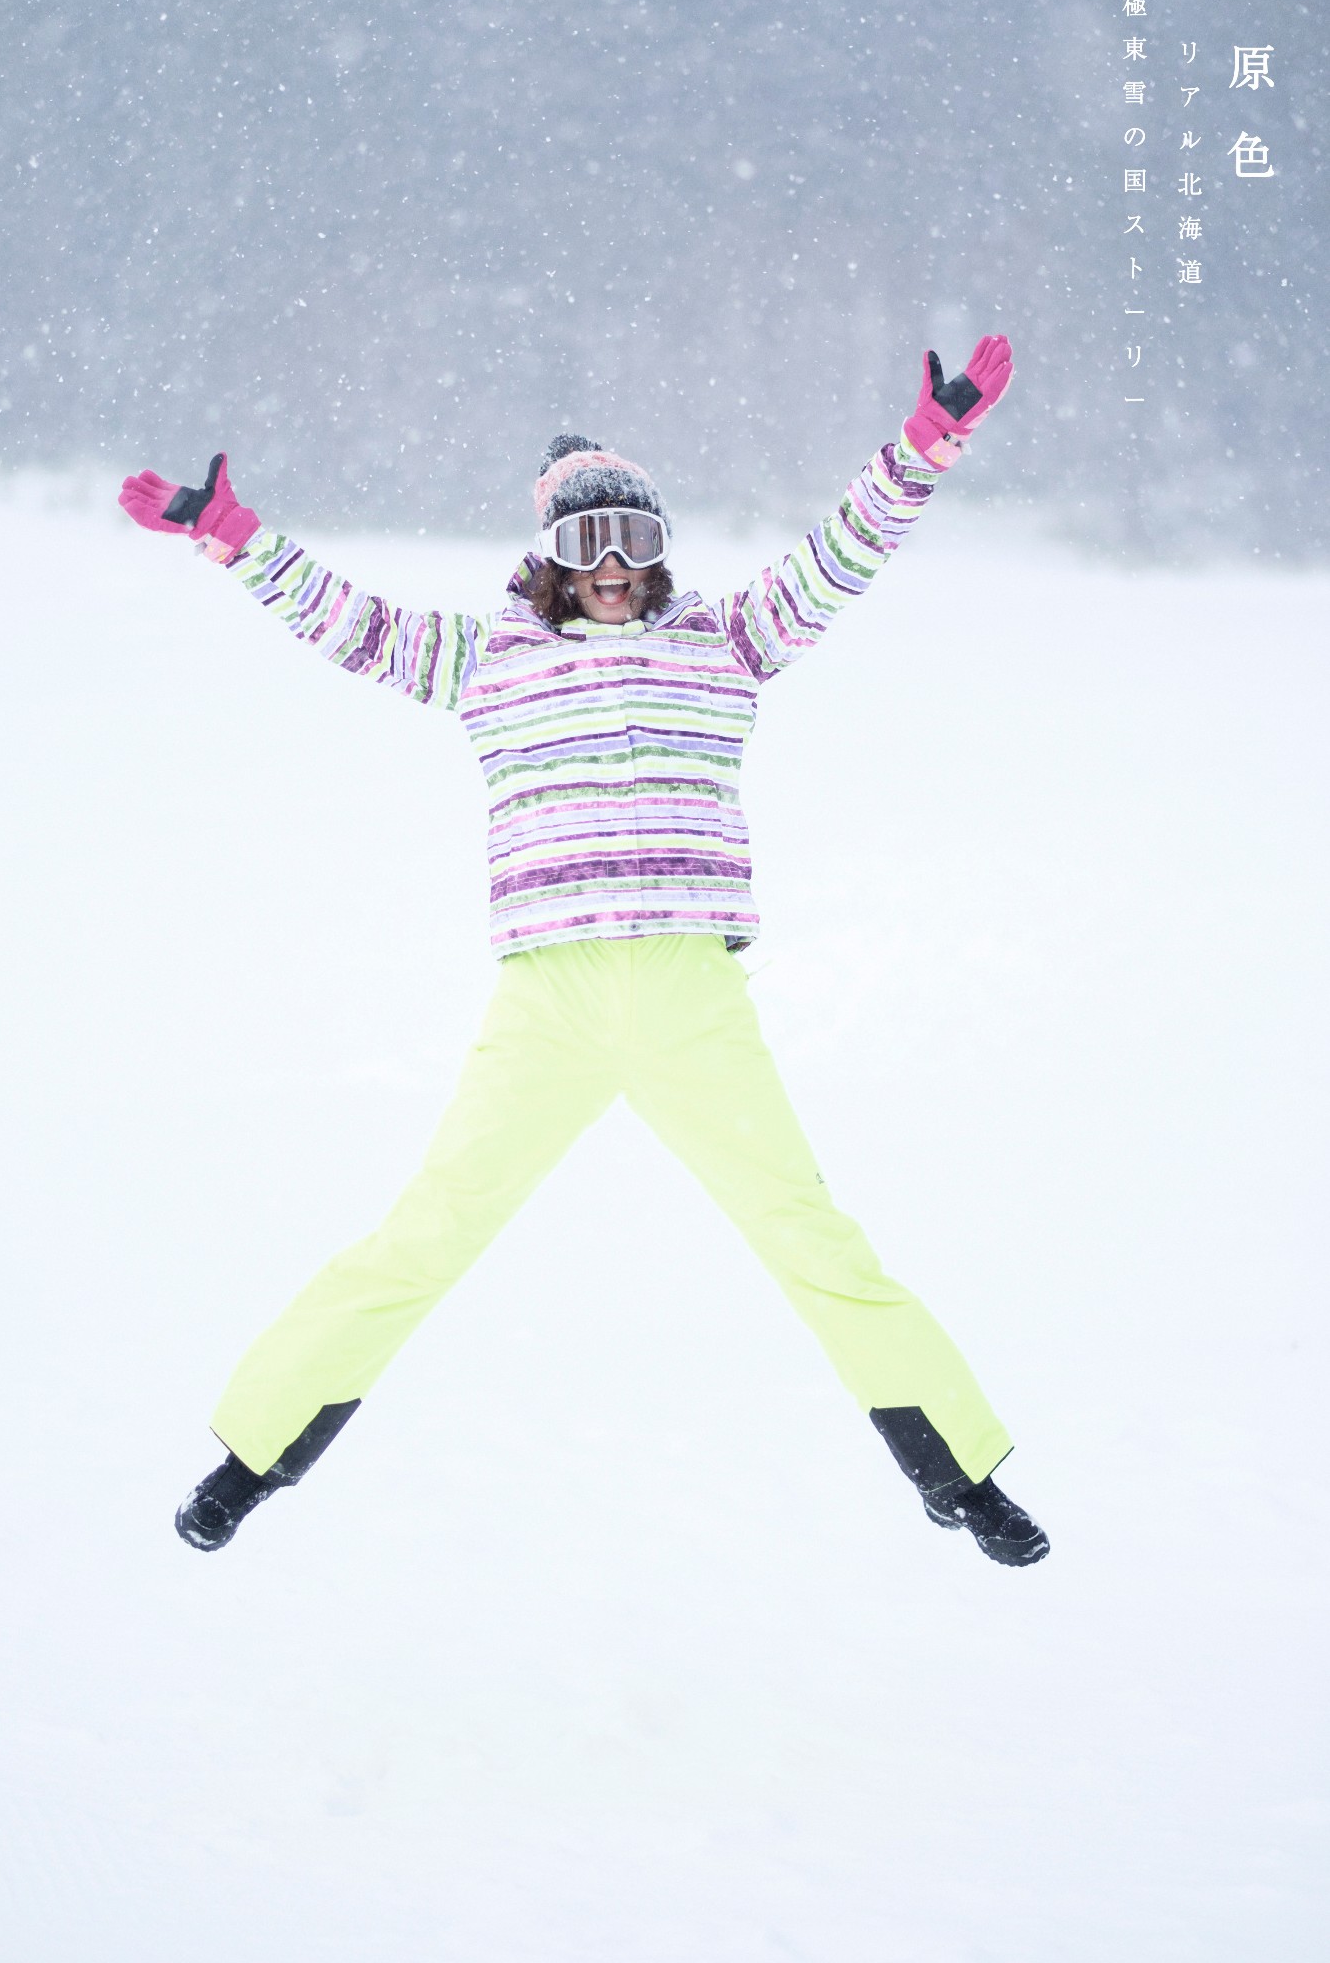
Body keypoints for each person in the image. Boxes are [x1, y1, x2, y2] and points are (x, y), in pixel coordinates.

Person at [119, 334, 1049, 1568]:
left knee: (809, 1233)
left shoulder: (724, 640)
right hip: (547, 1001)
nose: (612, 569)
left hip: (685, 993)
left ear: (661, 551)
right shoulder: (485, 660)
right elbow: (349, 622)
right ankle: (250, 1459)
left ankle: (962, 1475)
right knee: (428, 1231)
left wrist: (922, 452)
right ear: (547, 556)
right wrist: (237, 540)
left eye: (635, 543)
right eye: (584, 545)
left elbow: (842, 556)